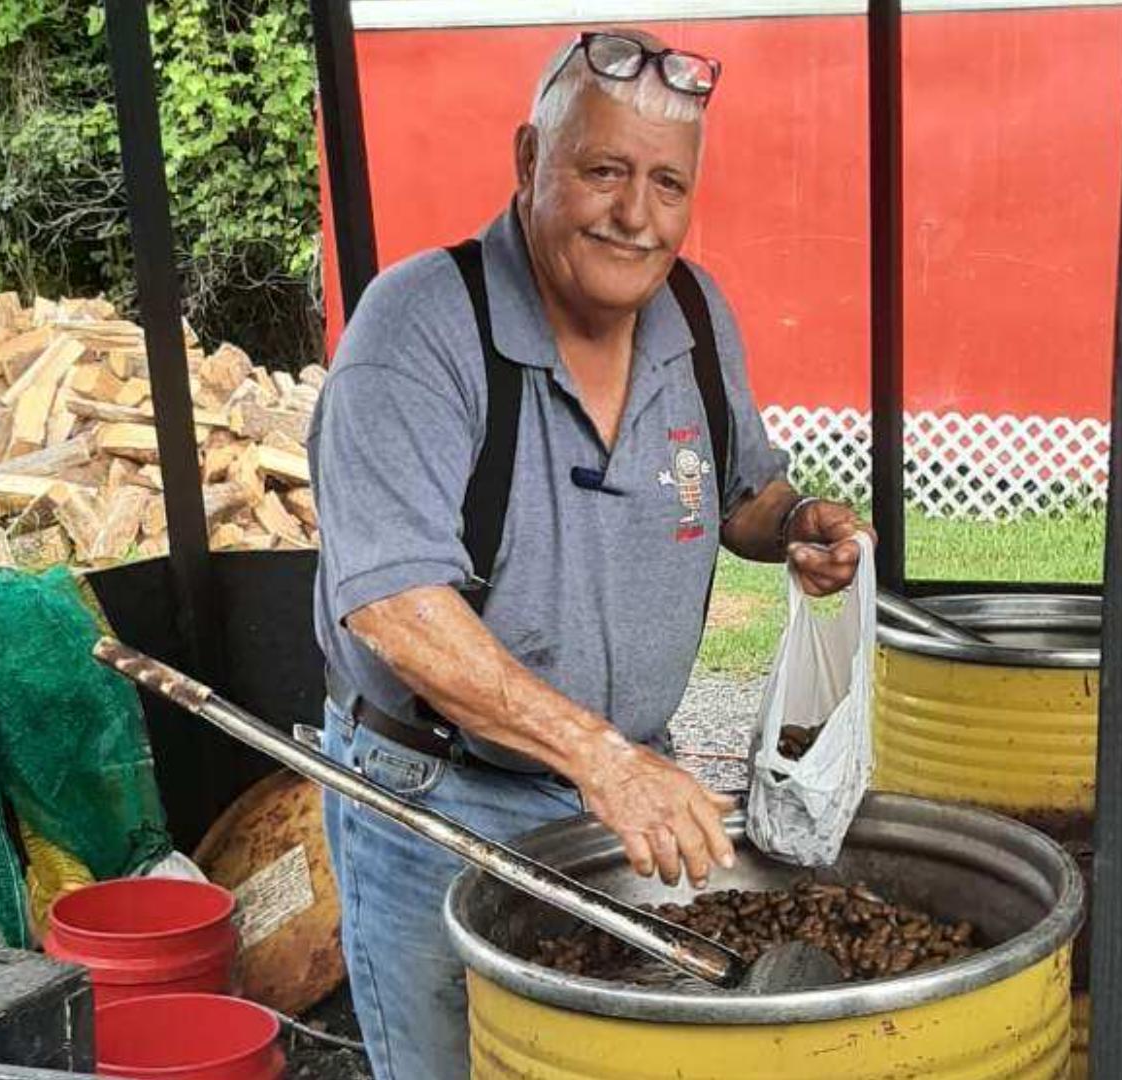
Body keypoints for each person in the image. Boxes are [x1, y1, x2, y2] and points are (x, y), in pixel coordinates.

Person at [308, 27, 871, 1079]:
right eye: (604, 171)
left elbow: (743, 486)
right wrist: (602, 759)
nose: (636, 215)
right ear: (530, 161)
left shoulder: (696, 314)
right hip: (441, 803)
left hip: (617, 810)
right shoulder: (420, 327)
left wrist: (797, 527)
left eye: (668, 184)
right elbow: (391, 601)